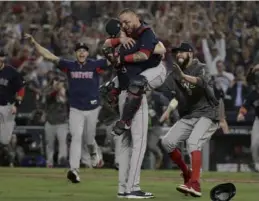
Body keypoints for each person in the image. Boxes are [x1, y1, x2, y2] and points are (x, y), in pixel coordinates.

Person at [24, 33, 112, 183]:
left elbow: (113, 61)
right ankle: (74, 170)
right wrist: (34, 43)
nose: (82, 52)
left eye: (84, 50)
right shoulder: (70, 65)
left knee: (89, 139)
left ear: (87, 53)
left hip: (92, 108)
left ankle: (93, 153)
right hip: (76, 108)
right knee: (76, 138)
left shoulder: (95, 65)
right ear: (76, 53)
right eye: (79, 51)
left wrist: (115, 45)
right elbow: (50, 56)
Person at [102, 9, 166, 199]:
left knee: (125, 145)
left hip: (125, 91)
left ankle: (123, 189)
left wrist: (118, 42)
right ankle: (133, 188)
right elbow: (154, 51)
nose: (125, 26)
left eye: (127, 22)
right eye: (122, 24)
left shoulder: (120, 43)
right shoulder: (132, 40)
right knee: (139, 143)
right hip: (133, 94)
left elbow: (107, 47)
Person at [160, 42, 219, 197]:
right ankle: (187, 173)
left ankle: (195, 184)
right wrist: (168, 110)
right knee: (167, 142)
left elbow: (202, 83)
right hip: (190, 115)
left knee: (192, 142)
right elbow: (173, 95)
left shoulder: (201, 67)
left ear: (191, 53)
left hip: (208, 113)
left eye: (182, 52)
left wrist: (183, 76)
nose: (178, 55)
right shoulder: (175, 73)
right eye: (176, 53)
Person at [0, 49, 25, 165]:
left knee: (5, 139)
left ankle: (9, 152)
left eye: (1, 56)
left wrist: (17, 103)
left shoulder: (11, 72)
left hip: (7, 107)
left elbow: (21, 88)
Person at [42, 76, 69, 168]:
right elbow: (48, 97)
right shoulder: (48, 91)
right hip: (50, 121)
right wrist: (56, 89)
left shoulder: (66, 91)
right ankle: (49, 163)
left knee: (63, 143)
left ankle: (62, 161)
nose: (58, 83)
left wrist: (62, 92)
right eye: (56, 81)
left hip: (62, 122)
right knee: (49, 144)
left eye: (60, 81)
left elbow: (69, 101)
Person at [237, 71, 259, 172]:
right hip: (258, 121)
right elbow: (245, 106)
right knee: (254, 144)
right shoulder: (253, 94)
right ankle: (257, 163)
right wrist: (241, 114)